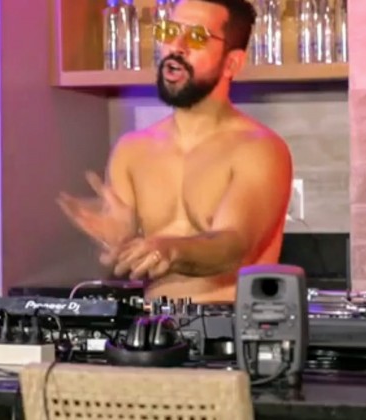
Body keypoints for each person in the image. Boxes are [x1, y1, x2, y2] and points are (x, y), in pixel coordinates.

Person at [57, 0, 293, 303]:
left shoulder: (260, 148)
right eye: (169, 31)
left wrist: (171, 250)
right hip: (155, 324)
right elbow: (122, 264)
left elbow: (233, 246)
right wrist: (115, 243)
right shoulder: (132, 150)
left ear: (232, 63)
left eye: (196, 37)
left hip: (232, 325)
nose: (176, 47)